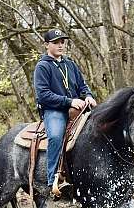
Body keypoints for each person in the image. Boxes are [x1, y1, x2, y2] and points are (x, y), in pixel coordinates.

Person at [33, 28, 97, 194]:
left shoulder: (70, 64)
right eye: (56, 42)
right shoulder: (42, 67)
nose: (60, 45)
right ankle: (53, 179)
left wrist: (88, 95)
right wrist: (69, 101)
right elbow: (43, 95)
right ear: (47, 45)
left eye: (62, 42)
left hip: (78, 108)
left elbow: (83, 86)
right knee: (55, 136)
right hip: (55, 110)